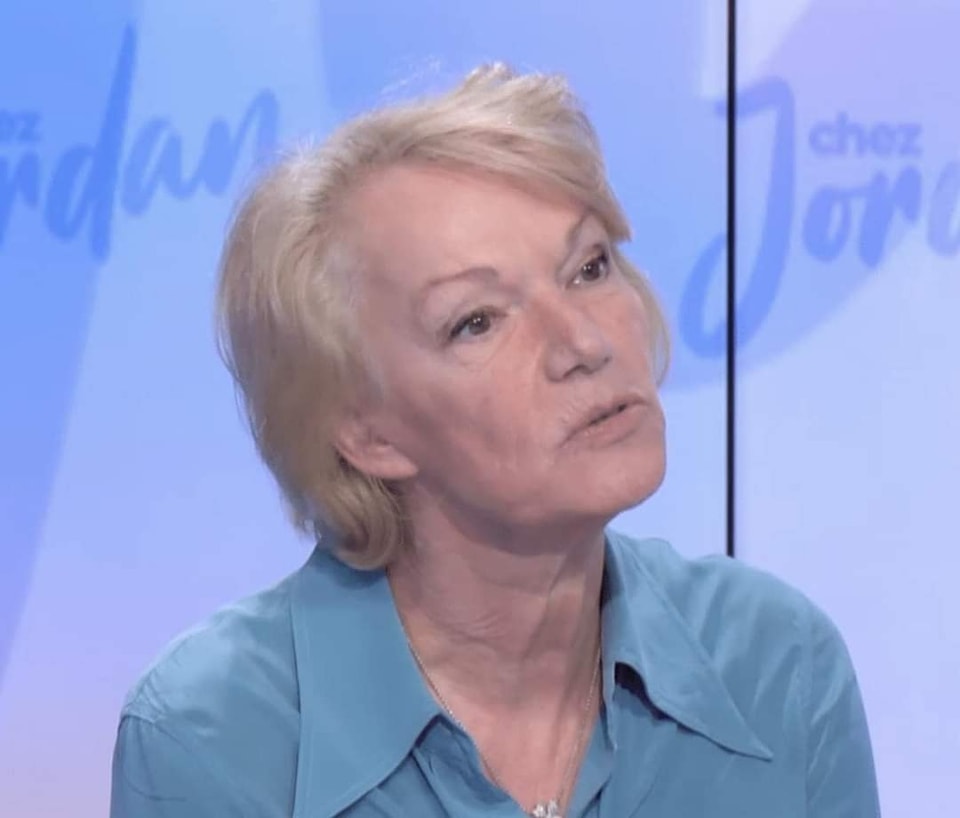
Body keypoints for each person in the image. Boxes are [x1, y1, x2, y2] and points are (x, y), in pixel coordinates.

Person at [109, 65, 881, 818]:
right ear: (367, 431)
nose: (584, 342)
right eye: (476, 321)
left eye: (588, 267)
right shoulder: (214, 739)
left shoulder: (776, 665)